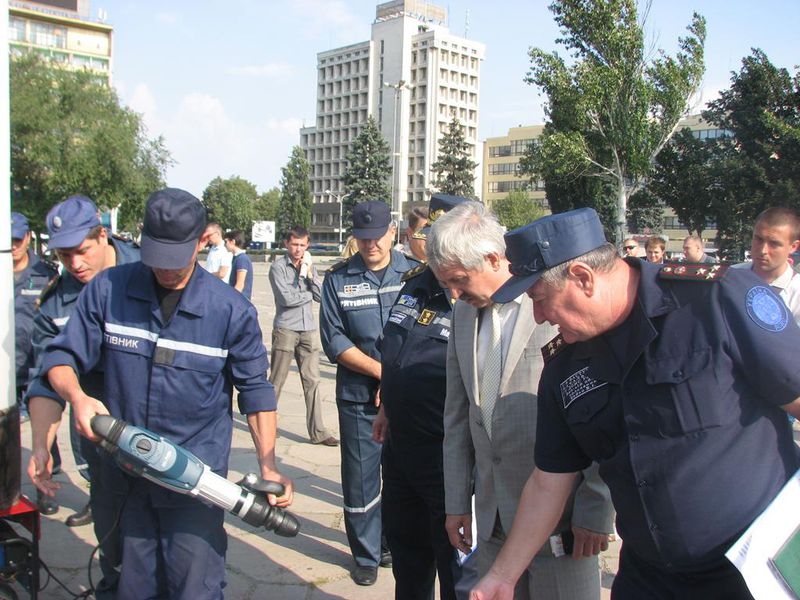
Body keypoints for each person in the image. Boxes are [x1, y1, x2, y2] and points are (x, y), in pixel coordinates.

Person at [471, 207, 800, 600]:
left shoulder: (716, 300)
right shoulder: (564, 367)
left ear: (582, 278)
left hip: (752, 574)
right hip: (648, 576)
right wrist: (503, 576)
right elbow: (548, 481)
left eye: (540, 299)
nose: (539, 317)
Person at [33, 188, 293, 600]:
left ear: (201, 241)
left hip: (194, 480)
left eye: (176, 259)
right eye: (157, 259)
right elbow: (61, 358)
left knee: (195, 586)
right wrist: (78, 398)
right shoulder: (108, 290)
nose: (165, 271)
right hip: (126, 476)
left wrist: (268, 464)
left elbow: (256, 389)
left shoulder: (228, 310)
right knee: (132, 587)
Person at [425, 202, 614, 600]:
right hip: (492, 516)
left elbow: (601, 412)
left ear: (494, 258)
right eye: (447, 285)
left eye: (459, 280)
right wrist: (457, 501)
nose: (454, 293)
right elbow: (457, 416)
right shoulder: (462, 313)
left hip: (561, 523)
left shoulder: (550, 300)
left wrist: (596, 507)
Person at [26, 195, 140, 596]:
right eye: (63, 254)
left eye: (82, 250)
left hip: (161, 427)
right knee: (116, 549)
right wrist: (40, 445)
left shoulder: (149, 269)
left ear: (103, 235)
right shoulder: (57, 301)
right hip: (100, 436)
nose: (74, 264)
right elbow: (44, 380)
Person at [372, 194, 471, 600]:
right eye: (428, 240)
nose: (429, 248)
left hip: (445, 455)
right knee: (408, 556)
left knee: (454, 565)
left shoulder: (470, 296)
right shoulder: (415, 284)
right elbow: (394, 351)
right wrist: (388, 408)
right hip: (400, 447)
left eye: (440, 243)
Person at [320, 200, 420, 586]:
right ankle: (365, 552)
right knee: (361, 478)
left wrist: (398, 379)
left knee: (401, 475)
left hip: (407, 398)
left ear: (392, 232)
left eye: (377, 237)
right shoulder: (338, 279)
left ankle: (390, 542)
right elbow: (334, 340)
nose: (370, 245)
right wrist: (382, 372)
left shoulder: (413, 275)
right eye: (362, 239)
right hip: (360, 396)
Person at [268, 226, 338, 446]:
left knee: (313, 382)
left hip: (308, 329)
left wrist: (309, 274)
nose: (298, 249)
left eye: (302, 245)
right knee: (276, 381)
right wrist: (307, 292)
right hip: (286, 329)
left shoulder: (309, 265)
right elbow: (287, 299)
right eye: (294, 244)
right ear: (287, 244)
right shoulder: (278, 267)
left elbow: (320, 296)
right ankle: (267, 425)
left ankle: (318, 432)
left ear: (307, 245)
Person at [12, 212, 57, 421]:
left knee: (43, 439)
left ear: (28, 237)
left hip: (35, 375)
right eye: (7, 240)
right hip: (5, 374)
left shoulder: (46, 274)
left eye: (17, 240)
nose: (12, 246)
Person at [732, 206, 800, 325]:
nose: (763, 250)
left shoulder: (797, 293)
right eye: (758, 239)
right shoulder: (730, 277)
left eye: (774, 244)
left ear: (793, 247)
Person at [223, 229, 254, 300]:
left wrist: (231, 300)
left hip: (241, 301)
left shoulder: (242, 259)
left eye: (226, 241)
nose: (224, 245)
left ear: (233, 241)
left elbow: (240, 285)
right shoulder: (236, 257)